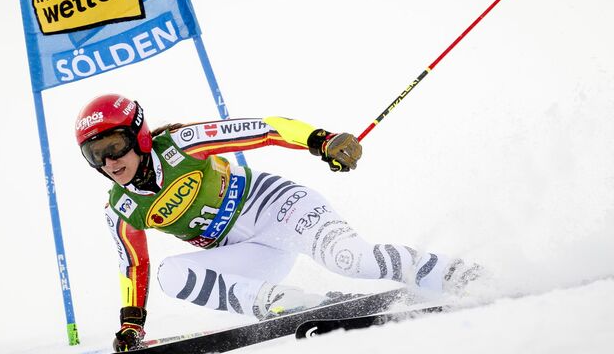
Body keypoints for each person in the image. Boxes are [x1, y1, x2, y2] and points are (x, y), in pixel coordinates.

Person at [75, 94, 481, 351]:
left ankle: (459, 275)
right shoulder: (120, 209)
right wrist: (131, 325)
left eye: (114, 146)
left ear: (139, 137)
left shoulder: (181, 144)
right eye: (96, 155)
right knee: (171, 274)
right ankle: (299, 306)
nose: (110, 162)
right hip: (247, 253)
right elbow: (134, 266)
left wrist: (321, 140)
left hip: (277, 207)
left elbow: (266, 129)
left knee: (351, 261)